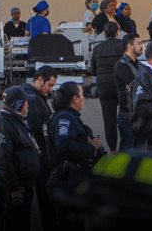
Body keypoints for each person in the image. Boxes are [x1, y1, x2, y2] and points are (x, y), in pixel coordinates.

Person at [47, 81, 106, 230]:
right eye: (81, 94)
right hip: (68, 180)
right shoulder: (65, 118)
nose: (84, 98)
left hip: (74, 178)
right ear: (75, 98)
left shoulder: (71, 116)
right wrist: (91, 146)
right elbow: (64, 147)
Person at [0, 86, 40, 231]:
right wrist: (14, 188)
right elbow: (2, 160)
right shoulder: (4, 125)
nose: (28, 105)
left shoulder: (16, 122)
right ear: (18, 104)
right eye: (26, 102)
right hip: (12, 191)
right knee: (13, 224)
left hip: (22, 187)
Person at [22, 66, 58, 230]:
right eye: (49, 85)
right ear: (40, 80)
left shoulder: (30, 94)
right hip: (40, 156)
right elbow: (36, 125)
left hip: (32, 156)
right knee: (46, 198)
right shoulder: (33, 98)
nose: (50, 90)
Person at [90, 22, 124, 151]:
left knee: (109, 119)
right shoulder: (122, 46)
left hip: (104, 85)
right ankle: (126, 147)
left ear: (104, 33)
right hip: (121, 84)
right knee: (125, 115)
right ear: (118, 32)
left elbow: (93, 69)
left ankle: (113, 150)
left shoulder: (97, 48)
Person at [114, 33, 144, 151]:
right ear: (130, 46)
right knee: (127, 152)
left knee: (139, 152)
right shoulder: (121, 65)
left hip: (139, 113)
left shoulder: (138, 64)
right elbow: (137, 86)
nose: (142, 46)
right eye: (139, 44)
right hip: (127, 115)